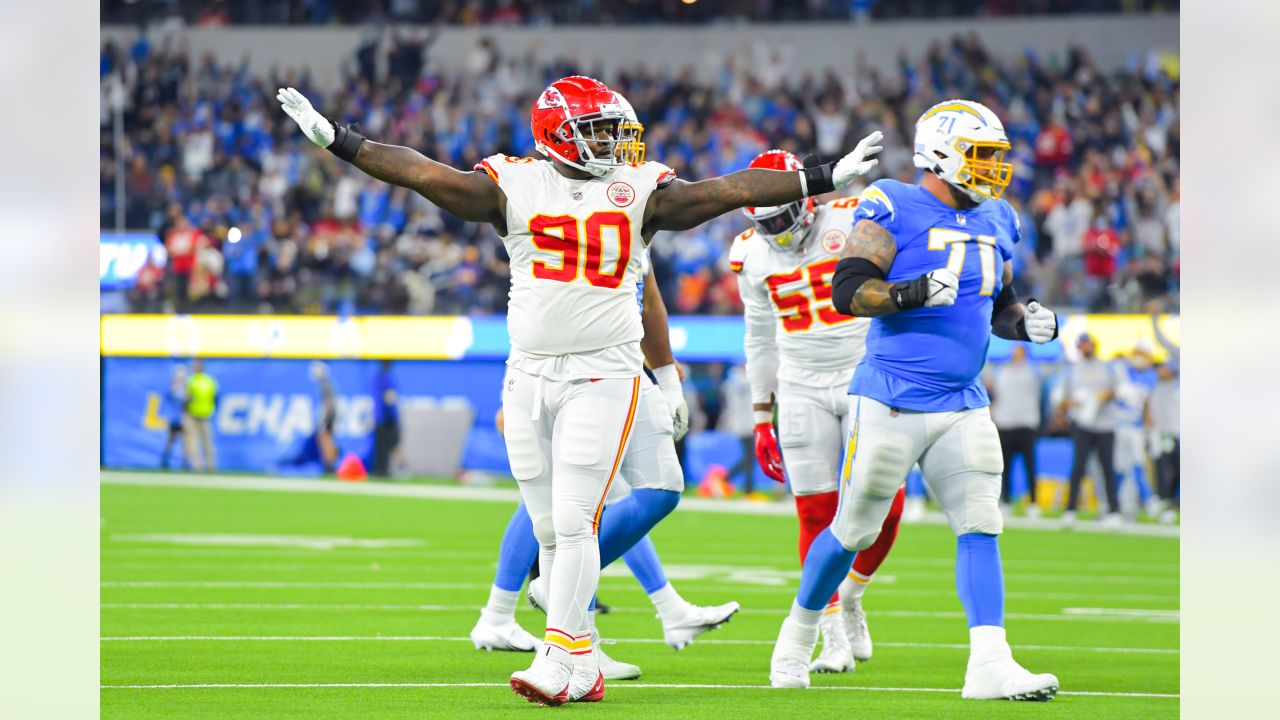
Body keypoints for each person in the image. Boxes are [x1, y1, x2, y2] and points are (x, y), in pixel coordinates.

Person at [280, 76, 883, 706]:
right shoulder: (514, 183)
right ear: (554, 132)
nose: (612, 143)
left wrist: (820, 177)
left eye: (613, 130)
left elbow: (726, 191)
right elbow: (426, 175)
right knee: (548, 529)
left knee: (575, 521)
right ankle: (585, 660)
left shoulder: (639, 189)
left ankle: (557, 653)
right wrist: (339, 140)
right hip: (528, 373)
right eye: (596, 130)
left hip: (603, 372)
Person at [768, 99, 1060, 701]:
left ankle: (990, 662)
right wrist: (910, 293)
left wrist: (1022, 320)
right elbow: (847, 290)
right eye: (981, 155)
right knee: (851, 528)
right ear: (940, 154)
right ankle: (798, 635)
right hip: (892, 398)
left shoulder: (999, 216)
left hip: (963, 400)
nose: (994, 169)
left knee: (981, 524)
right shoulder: (894, 202)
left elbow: (998, 303)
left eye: (996, 157)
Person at [730, 149, 906, 674]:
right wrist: (761, 414)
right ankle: (830, 632)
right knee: (814, 512)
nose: (776, 230)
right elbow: (758, 338)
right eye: (765, 220)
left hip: (864, 375)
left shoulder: (852, 219)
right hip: (800, 384)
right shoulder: (750, 253)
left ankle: (851, 593)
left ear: (805, 201)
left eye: (782, 214)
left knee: (886, 506)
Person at [1057, 333, 1122, 526]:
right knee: (1078, 467)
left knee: (1108, 468)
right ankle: (1070, 510)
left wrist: (1103, 396)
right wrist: (1075, 403)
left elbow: (1117, 391)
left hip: (1105, 424)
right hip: (1083, 424)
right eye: (1082, 345)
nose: (1086, 347)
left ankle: (1113, 511)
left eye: (1088, 344)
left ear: (1094, 345)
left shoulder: (1106, 367)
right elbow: (1062, 400)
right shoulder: (1072, 370)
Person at [985, 345, 1043, 516]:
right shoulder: (1001, 372)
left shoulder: (1033, 371)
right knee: (1005, 467)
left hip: (1026, 423)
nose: (1015, 355)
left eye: (1019, 352)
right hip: (1005, 423)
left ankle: (1033, 503)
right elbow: (994, 392)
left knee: (1030, 467)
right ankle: (1006, 501)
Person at [184, 358, 218, 472]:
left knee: (194, 442)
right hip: (206, 414)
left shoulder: (192, 381)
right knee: (207, 442)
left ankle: (197, 467)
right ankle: (210, 466)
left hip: (193, 413)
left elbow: (187, 397)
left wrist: (185, 409)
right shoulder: (210, 381)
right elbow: (215, 398)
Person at [371, 359, 400, 477]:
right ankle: (383, 469)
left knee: (381, 446)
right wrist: (391, 415)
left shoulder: (378, 378)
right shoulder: (387, 378)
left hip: (379, 416)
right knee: (386, 445)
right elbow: (389, 398)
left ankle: (379, 469)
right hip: (386, 417)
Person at [310, 361, 339, 474]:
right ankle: (330, 463)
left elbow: (328, 403)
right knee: (327, 439)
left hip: (329, 415)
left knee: (325, 439)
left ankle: (330, 464)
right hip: (331, 414)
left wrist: (323, 417)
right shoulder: (326, 383)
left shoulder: (325, 384)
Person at [159, 364, 189, 469]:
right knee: (171, 439)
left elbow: (187, 401)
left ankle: (185, 462)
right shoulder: (173, 388)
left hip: (182, 418)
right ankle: (165, 459)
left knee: (185, 441)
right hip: (174, 418)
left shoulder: (185, 388)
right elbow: (170, 397)